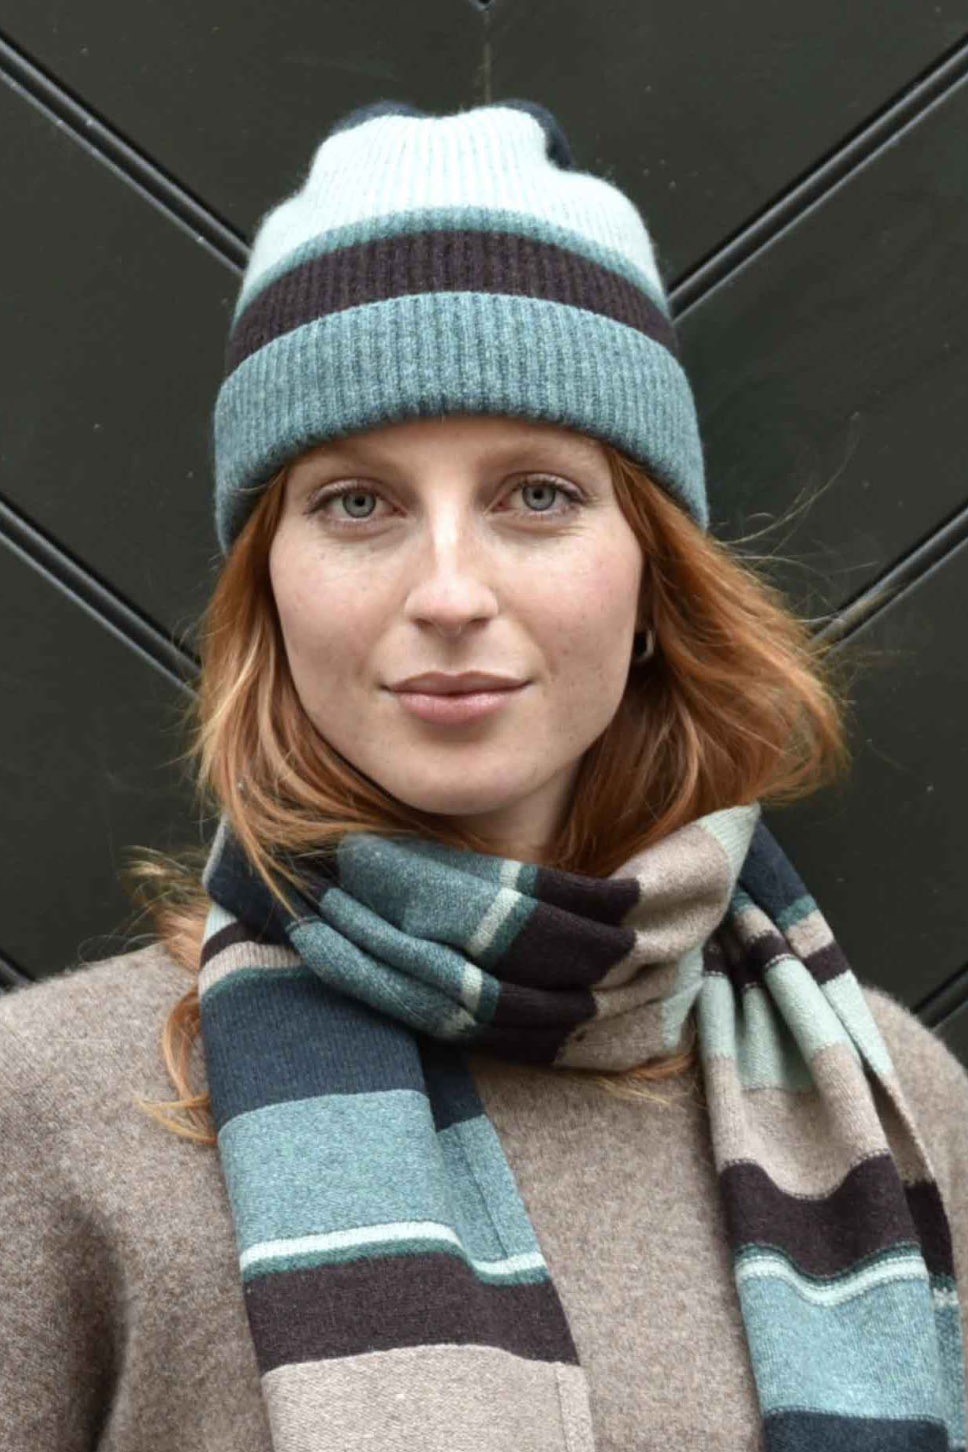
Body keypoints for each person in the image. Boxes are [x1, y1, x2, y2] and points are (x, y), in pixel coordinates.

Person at [1, 98, 966, 1452]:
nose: (450, 591)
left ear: (652, 580)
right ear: (267, 587)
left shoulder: (895, 1102)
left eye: (538, 496)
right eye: (358, 503)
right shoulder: (49, 1114)